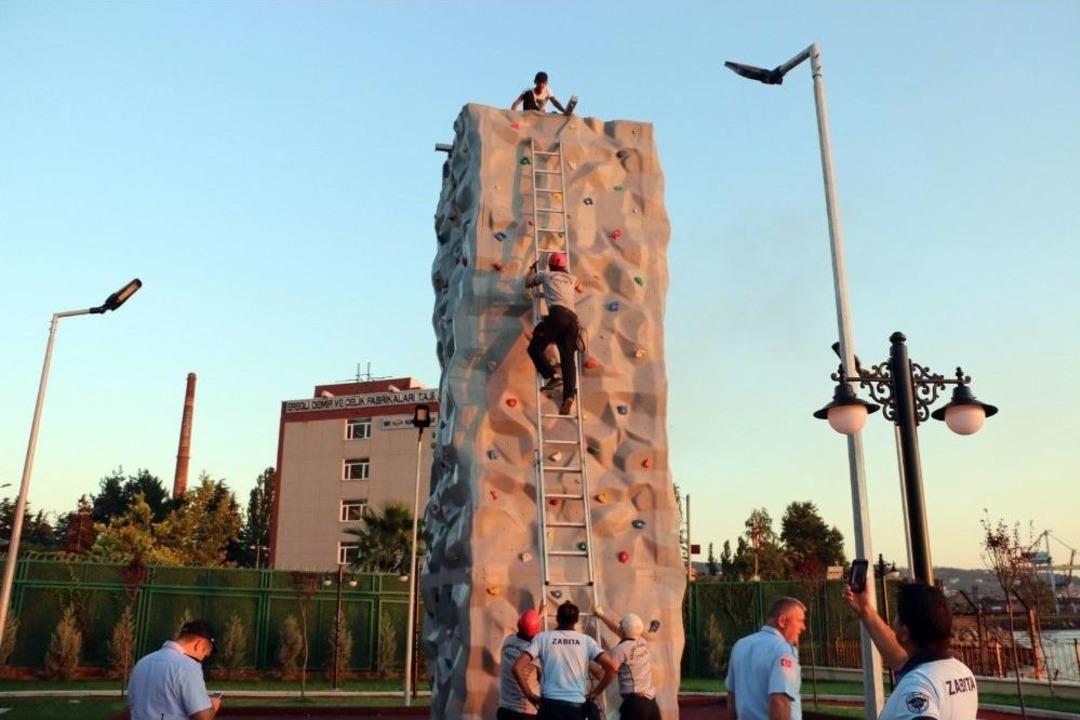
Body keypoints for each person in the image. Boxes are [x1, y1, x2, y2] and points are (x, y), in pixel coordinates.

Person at [845, 581, 978, 719]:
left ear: (904, 632)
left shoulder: (916, 685)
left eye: (896, 616)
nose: (893, 621)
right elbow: (901, 659)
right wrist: (865, 609)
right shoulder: (962, 672)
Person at [513, 601, 618, 720]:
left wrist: (530, 695)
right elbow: (612, 668)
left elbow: (517, 667)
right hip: (576, 709)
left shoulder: (542, 638)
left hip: (549, 707)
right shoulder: (586, 641)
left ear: (558, 618)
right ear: (576, 620)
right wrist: (595, 693)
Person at [725, 597, 806, 720]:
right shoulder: (783, 651)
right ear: (782, 621)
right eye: (800, 621)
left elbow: (732, 697)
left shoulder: (740, 645)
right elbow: (779, 701)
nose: (803, 627)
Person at [128, 619, 221, 720]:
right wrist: (212, 706)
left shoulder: (142, 662)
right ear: (199, 645)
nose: (201, 660)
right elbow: (203, 717)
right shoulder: (187, 667)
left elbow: (133, 703)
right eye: (204, 654)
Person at [525, 252, 580, 415]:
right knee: (568, 359)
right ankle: (569, 396)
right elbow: (581, 288)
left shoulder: (546, 275)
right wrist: (568, 277)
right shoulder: (572, 278)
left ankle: (552, 376)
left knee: (534, 349)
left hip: (557, 315)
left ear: (550, 265)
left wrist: (532, 269)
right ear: (563, 266)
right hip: (572, 320)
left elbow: (528, 283)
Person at [594, 605, 661, 720]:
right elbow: (617, 628)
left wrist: (586, 658)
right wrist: (602, 615)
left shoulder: (620, 650)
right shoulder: (641, 641)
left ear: (623, 631)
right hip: (651, 704)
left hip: (635, 705)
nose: (618, 624)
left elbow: (601, 674)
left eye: (621, 623)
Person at [499, 605, 545, 720]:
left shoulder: (508, 641)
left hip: (504, 710)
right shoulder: (534, 655)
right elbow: (543, 679)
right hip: (525, 711)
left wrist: (539, 616)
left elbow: (526, 631)